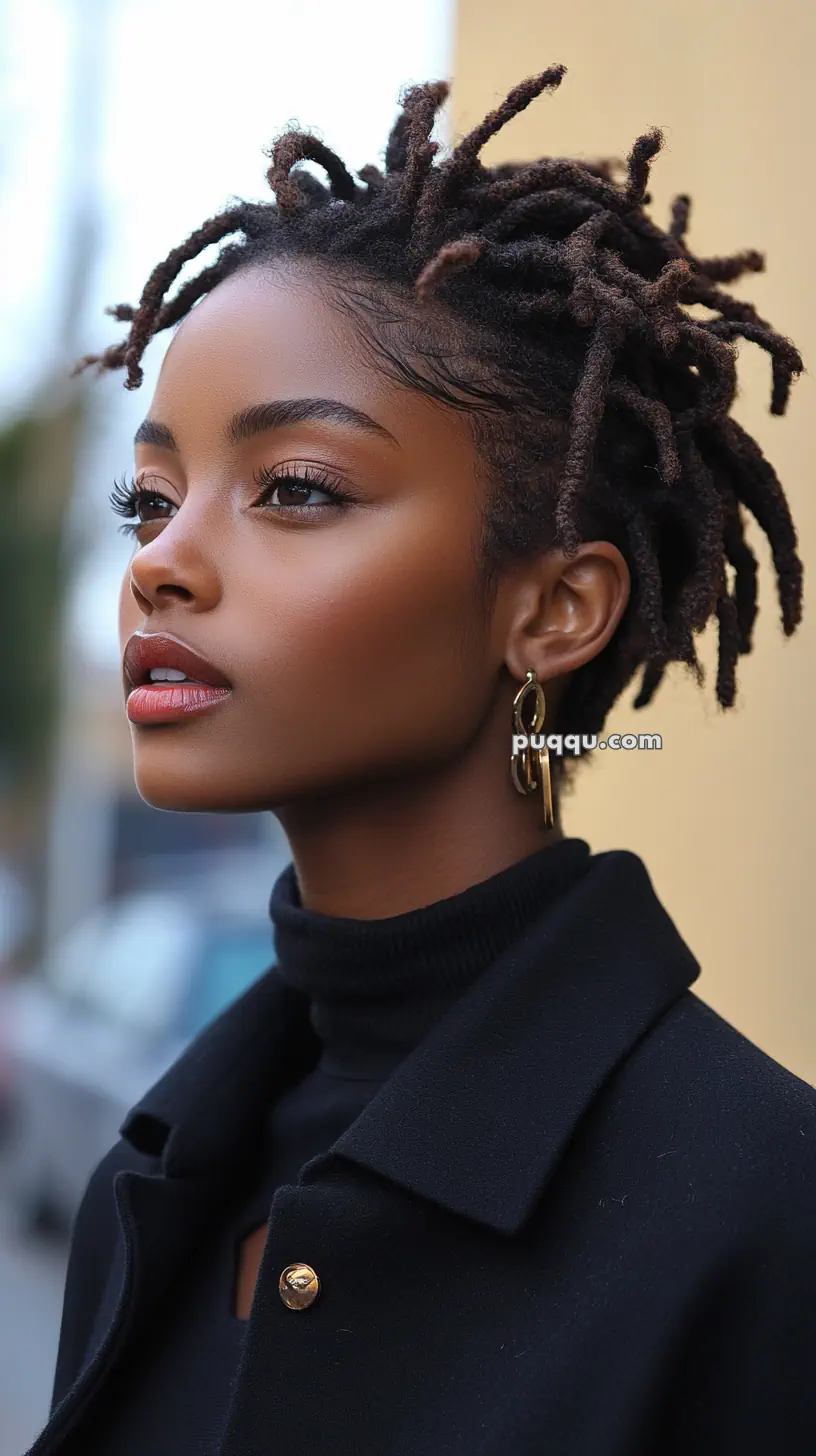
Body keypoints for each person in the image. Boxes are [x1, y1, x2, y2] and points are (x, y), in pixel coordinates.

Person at [28, 64, 815, 1456]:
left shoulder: (766, 1220)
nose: (159, 562)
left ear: (555, 608)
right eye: (148, 497)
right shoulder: (151, 1181)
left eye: (298, 489)